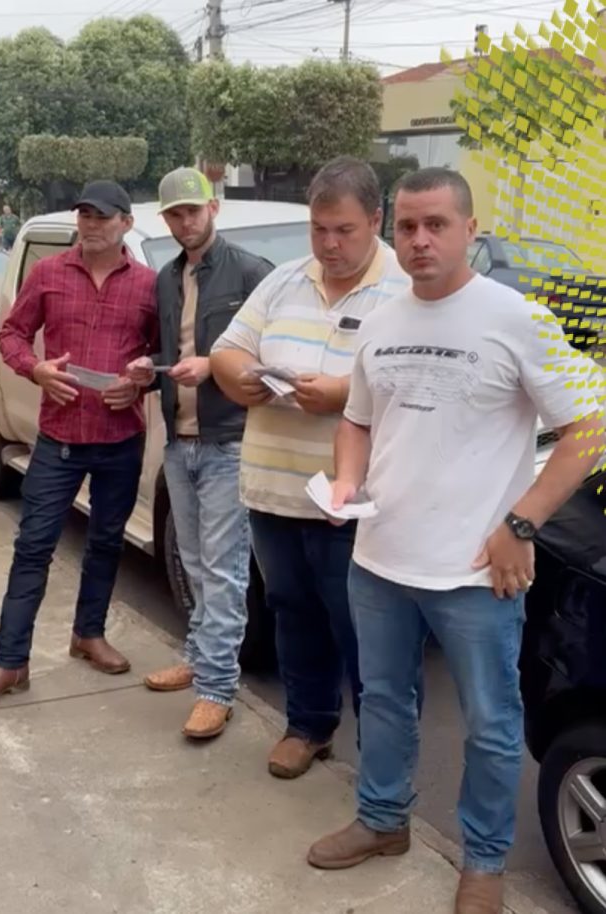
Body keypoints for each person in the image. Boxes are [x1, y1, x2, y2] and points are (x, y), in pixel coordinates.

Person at [307, 168, 605, 914]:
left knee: (492, 725)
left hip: (475, 573)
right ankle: (382, 819)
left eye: (436, 224)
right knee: (382, 700)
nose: (420, 240)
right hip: (379, 560)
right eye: (407, 226)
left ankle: (483, 862)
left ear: (471, 230)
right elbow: (358, 421)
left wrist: (521, 524)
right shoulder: (382, 321)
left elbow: (588, 430)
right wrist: (347, 482)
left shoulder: (518, 318)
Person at [208, 156, 411, 778]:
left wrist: (343, 393)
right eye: (319, 230)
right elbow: (226, 350)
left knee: (364, 633)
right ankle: (308, 725)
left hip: (356, 502)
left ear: (375, 219)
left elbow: (414, 383)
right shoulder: (285, 280)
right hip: (274, 491)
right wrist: (244, 378)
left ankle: (382, 765)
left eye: (344, 230)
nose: (329, 244)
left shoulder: (405, 289)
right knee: (292, 612)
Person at [0, 180, 158, 710]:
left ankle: (88, 633)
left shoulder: (148, 285)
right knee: (33, 547)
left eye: (102, 217)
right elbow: (11, 334)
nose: (91, 225)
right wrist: (37, 369)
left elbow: (162, 358)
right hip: (60, 438)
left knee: (107, 542)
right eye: (85, 215)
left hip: (120, 438)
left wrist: (140, 381)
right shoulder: (48, 274)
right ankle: (9, 661)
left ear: (126, 224)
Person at [126, 167, 273, 739]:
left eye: (193, 210)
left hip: (229, 440)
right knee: (192, 562)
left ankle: (216, 688)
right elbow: (165, 347)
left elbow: (273, 357)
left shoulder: (251, 272)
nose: (185, 221)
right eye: (175, 213)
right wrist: (148, 367)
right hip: (180, 439)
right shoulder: (167, 278)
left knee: (224, 567)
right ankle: (199, 656)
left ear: (214, 208)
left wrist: (215, 366)